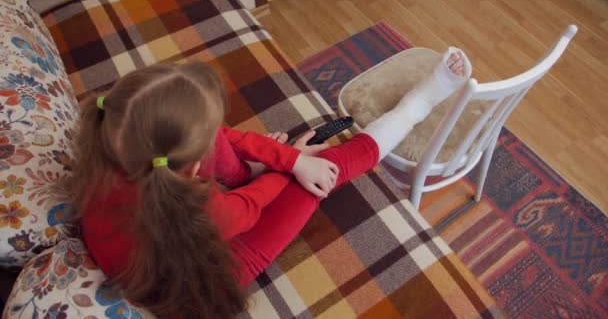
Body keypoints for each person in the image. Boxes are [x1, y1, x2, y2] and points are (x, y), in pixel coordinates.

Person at [63, 48, 470, 318]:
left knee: (254, 154)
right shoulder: (203, 212)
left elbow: (229, 139)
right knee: (320, 179)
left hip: (165, 239)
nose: (217, 136)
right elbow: (247, 210)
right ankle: (418, 105)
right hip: (200, 273)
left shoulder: (112, 146)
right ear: (188, 170)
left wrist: (289, 157)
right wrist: (292, 169)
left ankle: (272, 166)